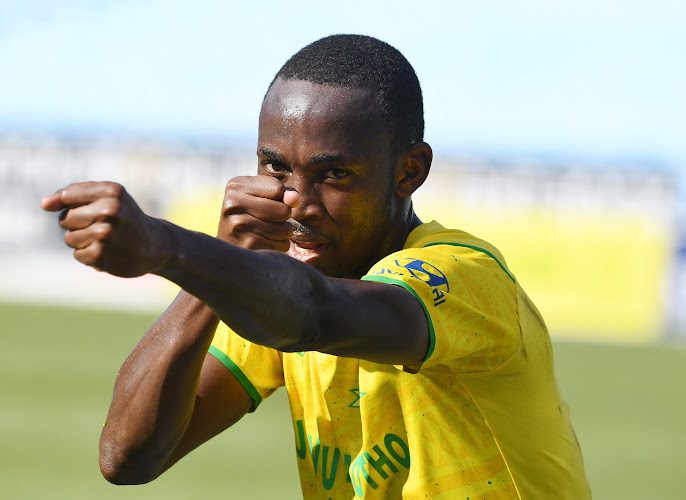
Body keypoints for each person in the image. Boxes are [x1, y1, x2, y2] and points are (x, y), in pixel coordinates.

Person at [41, 34, 590, 499]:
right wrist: (214, 272)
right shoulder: (272, 288)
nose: (297, 203)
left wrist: (169, 249)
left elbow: (312, 315)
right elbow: (127, 459)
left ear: (409, 171)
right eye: (275, 168)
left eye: (334, 176)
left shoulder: (463, 276)